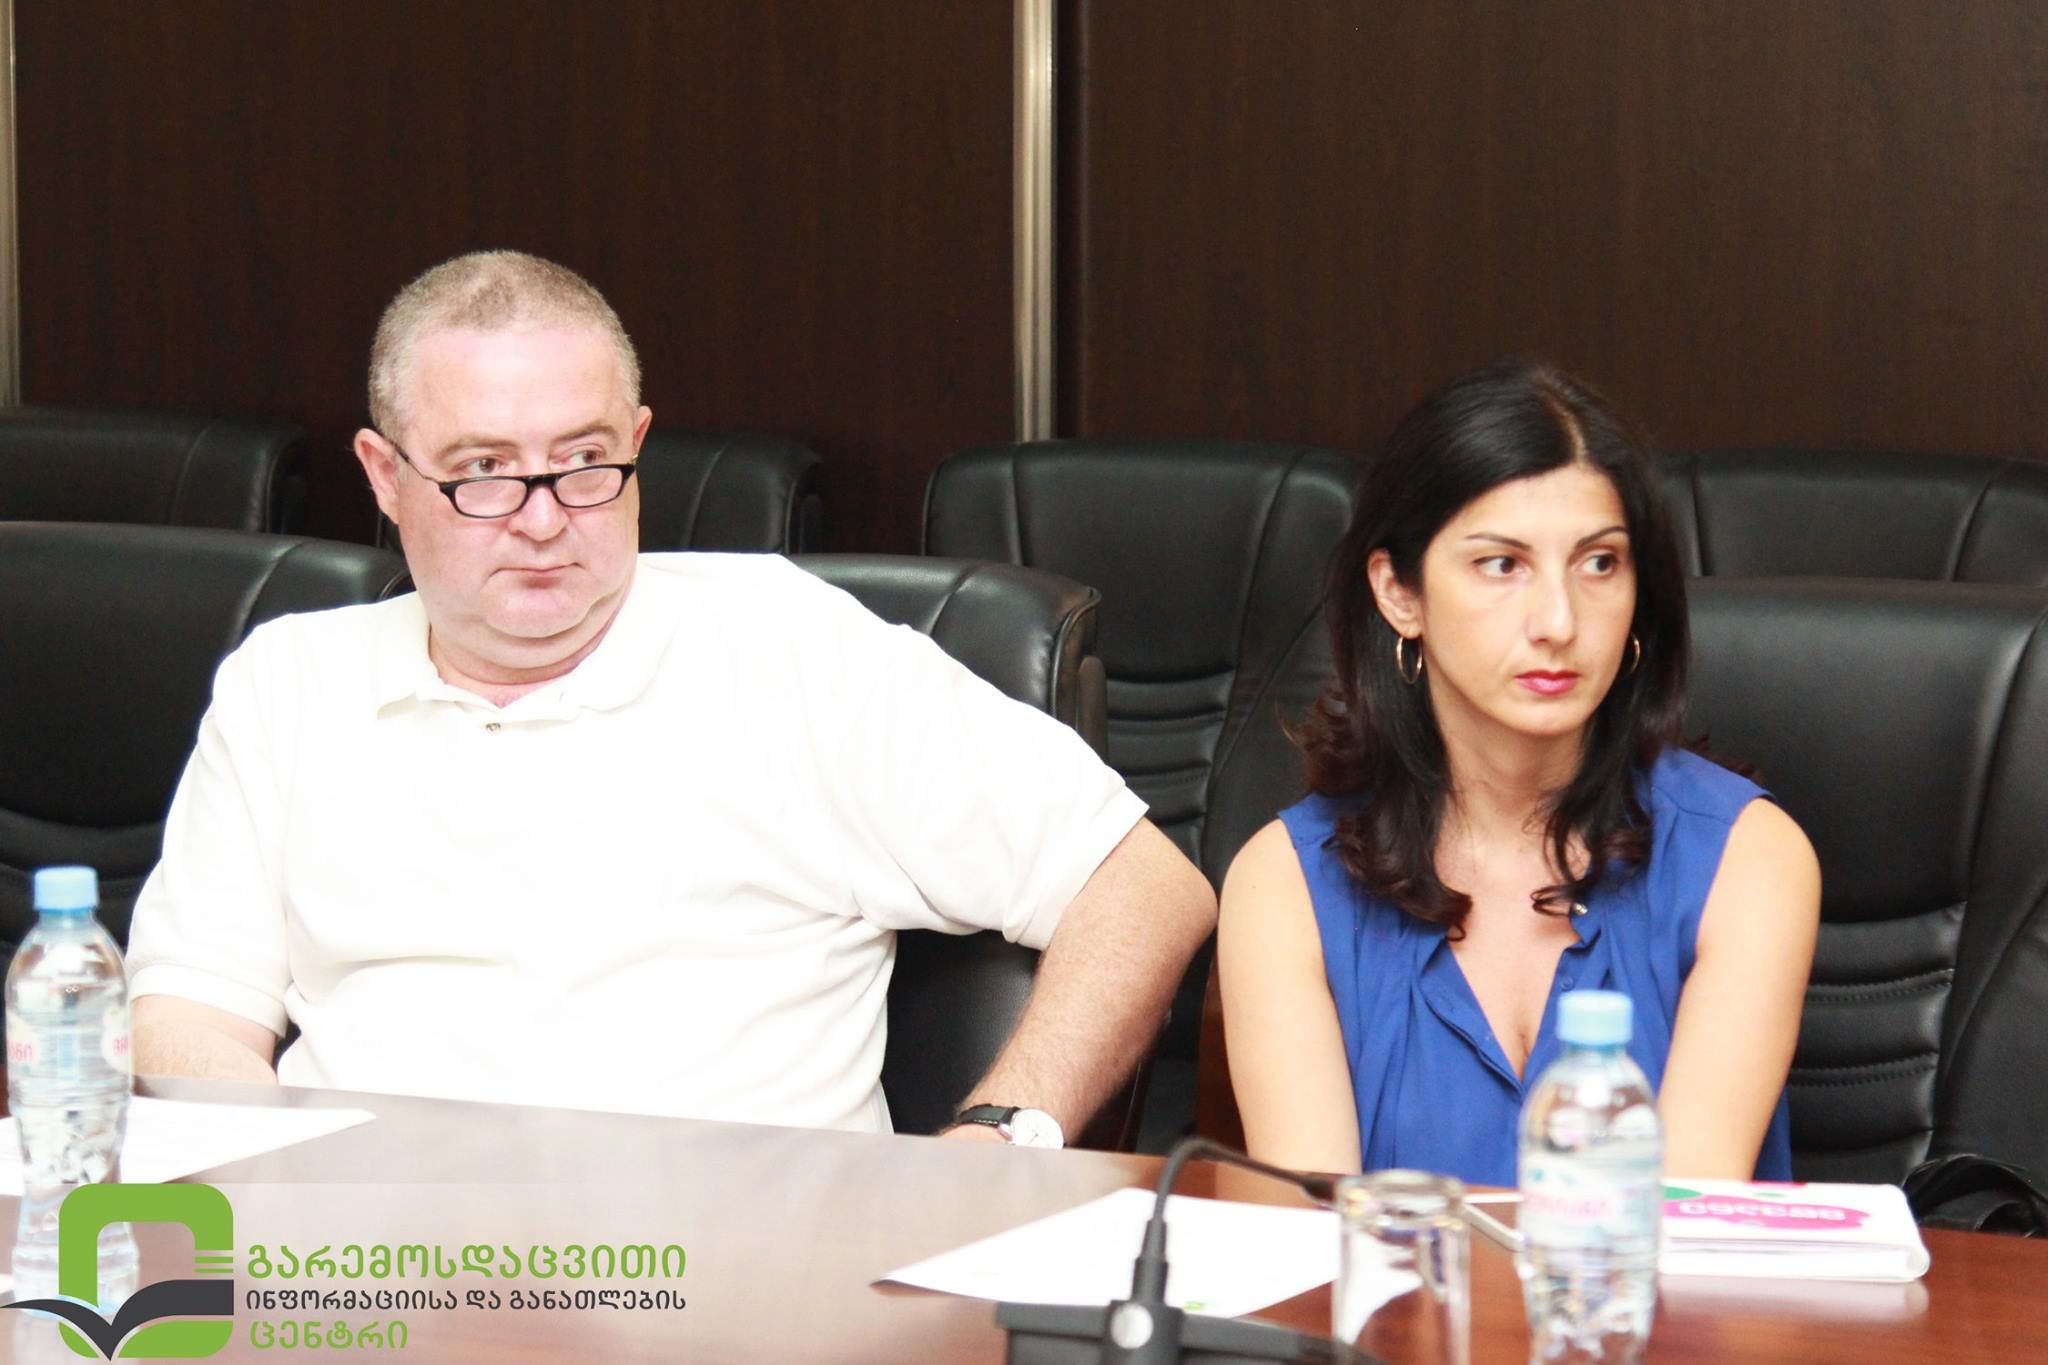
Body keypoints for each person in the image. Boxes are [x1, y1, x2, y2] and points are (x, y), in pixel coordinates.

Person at [127, 250, 1216, 1145]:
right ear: (383, 475)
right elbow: (187, 1010)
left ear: (639, 445)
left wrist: (1000, 1138)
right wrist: (282, 1191)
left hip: (742, 1282)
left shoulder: (794, 651)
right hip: (376, 1270)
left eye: (584, 460)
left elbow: (1141, 887)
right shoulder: (289, 683)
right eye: (484, 470)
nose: (543, 518)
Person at [1218, 361, 1818, 1184]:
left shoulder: (1749, 858)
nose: (1559, 621)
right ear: (1399, 592)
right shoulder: (1283, 885)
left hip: (1661, 1276)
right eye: (1502, 564)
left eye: (1599, 563)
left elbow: (1676, 1227)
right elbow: (1315, 1240)